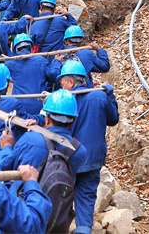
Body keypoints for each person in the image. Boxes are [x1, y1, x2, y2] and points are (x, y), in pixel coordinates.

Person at [0, 90, 88, 233]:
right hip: (55, 215)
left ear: (47, 118)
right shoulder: (79, 150)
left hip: (23, 211)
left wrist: (7, 146)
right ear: (72, 122)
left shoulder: (31, 139)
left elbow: (5, 165)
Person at [58, 62, 119, 234]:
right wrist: (111, 97)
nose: (61, 86)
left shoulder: (64, 100)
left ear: (70, 81)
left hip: (69, 159)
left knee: (61, 199)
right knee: (85, 200)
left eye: (62, 82)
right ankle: (83, 230)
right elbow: (113, 119)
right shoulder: (99, 97)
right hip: (93, 158)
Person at [2, 33, 62, 116]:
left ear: (16, 49)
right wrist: (57, 62)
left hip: (18, 106)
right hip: (38, 107)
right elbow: (54, 76)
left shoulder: (10, 63)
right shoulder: (41, 60)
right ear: (30, 47)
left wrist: (7, 59)